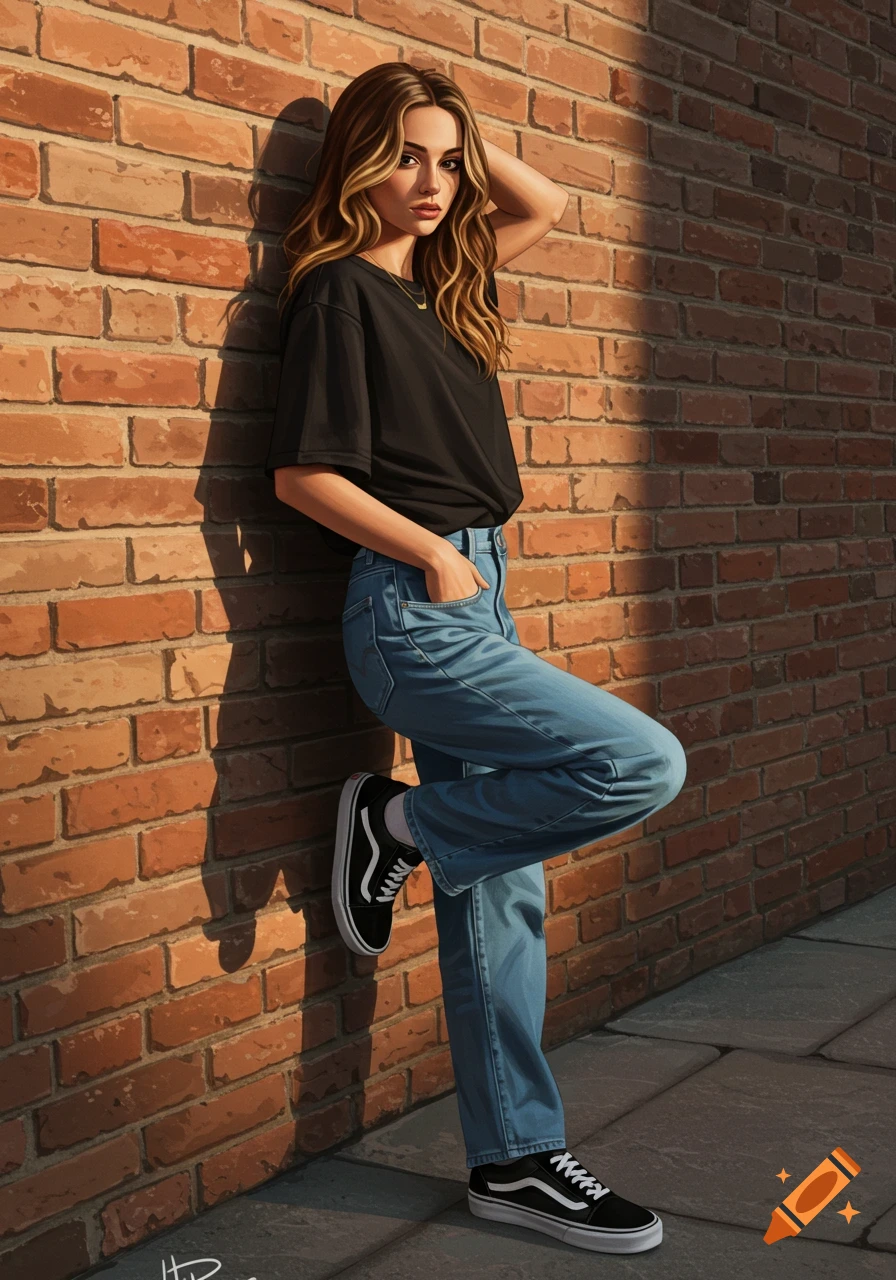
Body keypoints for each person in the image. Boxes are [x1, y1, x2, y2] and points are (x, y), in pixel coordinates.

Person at [266, 61, 687, 1257]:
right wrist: (433, 560)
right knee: (637, 761)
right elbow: (303, 475)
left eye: (448, 161)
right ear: (356, 160)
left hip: (474, 598)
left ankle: (511, 1159)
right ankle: (393, 830)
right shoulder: (341, 292)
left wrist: (449, 118)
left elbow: (541, 199)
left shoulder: (441, 287)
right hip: (415, 602)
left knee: (503, 884)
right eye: (403, 157)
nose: (433, 184)